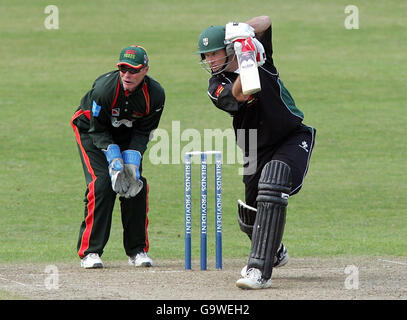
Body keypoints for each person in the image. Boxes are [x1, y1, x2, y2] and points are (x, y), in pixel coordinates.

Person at [197, 16, 316, 289]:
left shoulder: (261, 55)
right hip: (253, 149)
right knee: (250, 215)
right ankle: (274, 252)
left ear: (227, 49)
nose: (210, 60)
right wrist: (248, 59)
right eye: (206, 56)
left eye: (214, 53)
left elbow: (265, 20)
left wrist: (241, 34)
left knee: (273, 180)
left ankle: (258, 272)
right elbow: (242, 93)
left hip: (291, 137)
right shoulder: (216, 84)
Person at [70, 45, 165, 269]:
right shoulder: (104, 89)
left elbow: (144, 131)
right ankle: (90, 252)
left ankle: (137, 250)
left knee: (133, 184)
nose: (127, 75)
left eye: (133, 70)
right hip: (90, 131)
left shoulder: (155, 95)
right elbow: (97, 129)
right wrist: (114, 159)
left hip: (127, 135)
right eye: (123, 69)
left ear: (145, 70)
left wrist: (131, 160)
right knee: (102, 183)